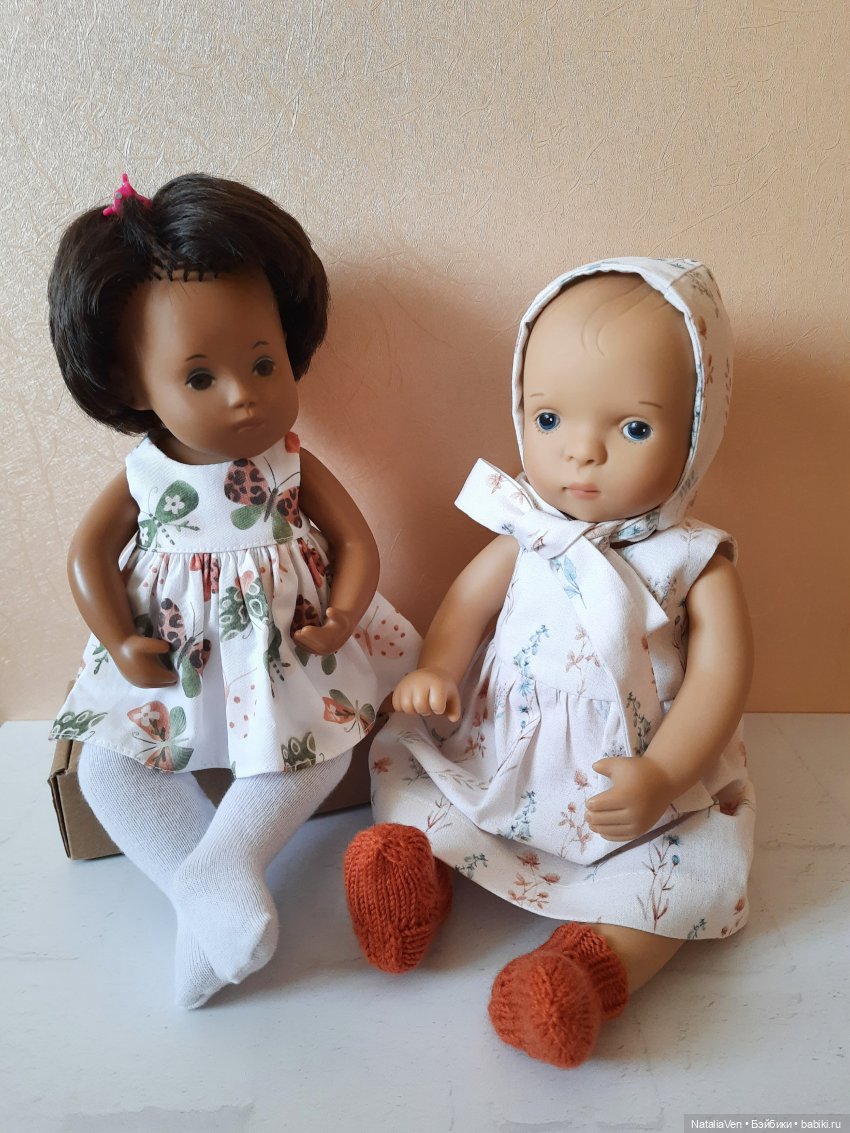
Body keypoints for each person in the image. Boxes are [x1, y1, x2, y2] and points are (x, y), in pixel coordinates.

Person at [344, 258, 755, 1068]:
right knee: (419, 780)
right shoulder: (529, 529)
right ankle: (411, 880)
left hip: (632, 783)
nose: (581, 453)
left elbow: (721, 678)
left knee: (683, 880)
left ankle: (585, 971)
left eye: (632, 428)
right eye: (550, 417)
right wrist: (437, 667)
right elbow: (469, 602)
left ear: (697, 429)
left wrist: (665, 774)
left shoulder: (692, 558)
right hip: (502, 751)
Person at [49, 172, 416, 1008]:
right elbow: (88, 552)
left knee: (319, 748)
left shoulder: (289, 462)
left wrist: (345, 613)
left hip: (282, 652)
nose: (245, 393)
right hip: (173, 652)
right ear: (133, 384)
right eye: (200, 377)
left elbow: (355, 540)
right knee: (107, 771)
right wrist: (117, 638)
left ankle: (228, 860)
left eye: (263, 362)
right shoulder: (145, 474)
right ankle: (209, 885)